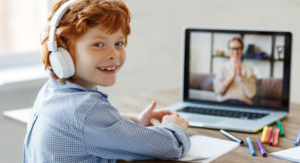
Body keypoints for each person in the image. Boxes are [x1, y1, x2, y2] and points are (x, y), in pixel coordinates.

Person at [23, 0, 190, 162]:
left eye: (119, 43)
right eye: (98, 44)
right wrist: (175, 128)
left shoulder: (51, 92)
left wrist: (137, 121)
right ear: (63, 53)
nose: (114, 54)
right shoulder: (87, 110)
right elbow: (169, 146)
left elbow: (89, 124)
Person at [213, 37, 256, 105]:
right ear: (228, 50)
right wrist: (231, 77)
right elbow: (218, 91)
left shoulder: (248, 69)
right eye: (233, 49)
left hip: (243, 104)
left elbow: (251, 94)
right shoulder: (221, 68)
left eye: (238, 48)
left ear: (242, 50)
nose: (235, 52)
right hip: (224, 103)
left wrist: (242, 78)